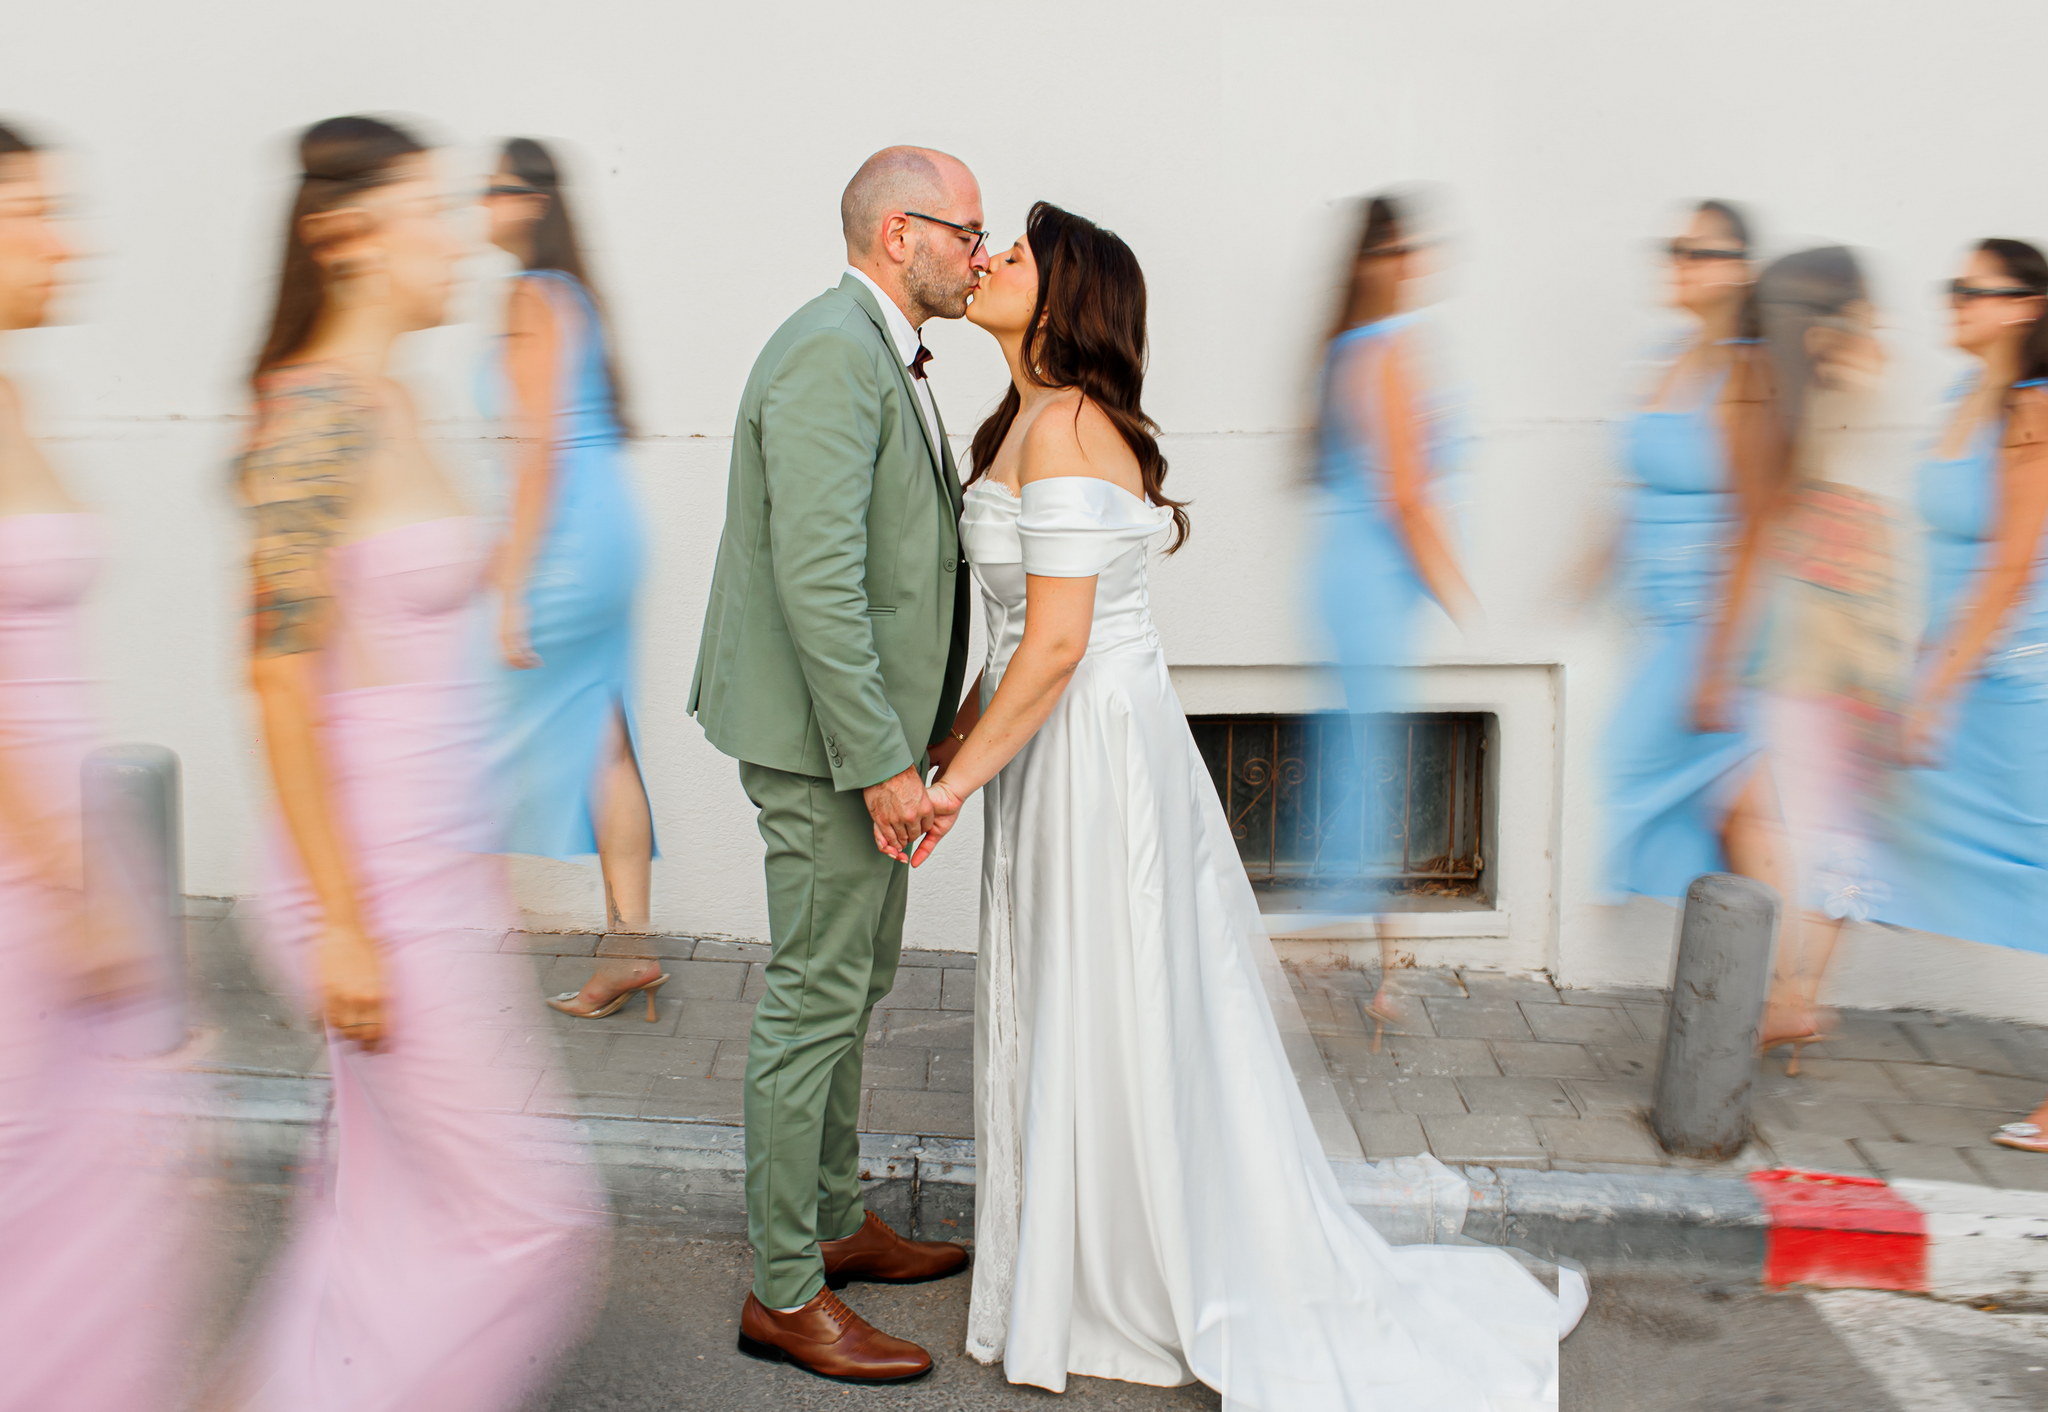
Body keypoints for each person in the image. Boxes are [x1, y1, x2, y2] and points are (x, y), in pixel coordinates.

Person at [918, 201, 1561, 1410]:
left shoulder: (1063, 426)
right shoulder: (1019, 418)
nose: (990, 255)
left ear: (1063, 298)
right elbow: (1006, 636)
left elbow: (1053, 648)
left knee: (1103, 987)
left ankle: (1120, 1271)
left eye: (1016, 251)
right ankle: (1072, 1251)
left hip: (1092, 751)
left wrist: (950, 783)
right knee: (1065, 988)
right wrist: (943, 744)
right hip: (1045, 748)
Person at [228, 115, 602, 1409]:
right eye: (426, 216)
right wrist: (341, 924)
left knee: (389, 1216)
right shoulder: (319, 419)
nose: (457, 239)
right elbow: (277, 676)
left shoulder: (401, 399)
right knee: (535, 1220)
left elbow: (408, 669)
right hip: (369, 888)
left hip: (431, 868)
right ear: (346, 239)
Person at [688, 146, 983, 1383]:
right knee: (813, 999)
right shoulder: (826, 348)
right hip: (826, 752)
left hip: (867, 743)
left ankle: (831, 1218)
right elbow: (819, 582)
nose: (979, 253)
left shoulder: (879, 348)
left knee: (852, 987)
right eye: (965, 231)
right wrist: (878, 762)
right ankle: (782, 1289)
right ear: (898, 230)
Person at [0, 116, 193, 1412]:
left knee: (86, 1198)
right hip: (24, 867)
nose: (66, 240)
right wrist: (72, 887)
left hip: (53, 855)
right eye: (30, 213)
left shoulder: (14, 387)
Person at [1866, 239, 2048, 1152]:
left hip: (2019, 682)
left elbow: (2013, 564)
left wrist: (1936, 689)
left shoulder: (2034, 411)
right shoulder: (1963, 401)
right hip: (1966, 668)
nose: (1955, 302)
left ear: (2025, 306)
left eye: (1973, 291)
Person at [476, 137, 663, 1020]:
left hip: (568, 538)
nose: (482, 204)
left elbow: (538, 450)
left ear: (533, 200)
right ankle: (629, 945)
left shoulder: (529, 298)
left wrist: (512, 583)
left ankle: (439, 936)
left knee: (474, 714)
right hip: (607, 528)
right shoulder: (574, 294)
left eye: (495, 190)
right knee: (603, 734)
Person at [1715, 247, 1900, 1072]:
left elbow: (1783, 495)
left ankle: (1795, 998)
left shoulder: (1832, 370)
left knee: (1793, 805)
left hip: (1834, 602)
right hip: (1835, 592)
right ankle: (1794, 997)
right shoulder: (1830, 369)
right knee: (1796, 806)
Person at [1306, 191, 1478, 1049]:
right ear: (1384, 260)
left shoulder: (1345, 350)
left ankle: (1386, 964)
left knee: (1364, 756)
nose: (1419, 264)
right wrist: (1457, 591)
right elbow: (1407, 494)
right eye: (1407, 249)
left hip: (1353, 575)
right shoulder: (1387, 351)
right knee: (1370, 764)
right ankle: (1350, 953)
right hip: (1375, 580)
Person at [1598, 203, 1791, 932]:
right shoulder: (1675, 359)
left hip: (1711, 621)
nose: (1681, 262)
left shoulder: (1748, 373)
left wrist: (1719, 661)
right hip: (1665, 618)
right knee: (1734, 802)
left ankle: (1779, 987)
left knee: (1620, 783)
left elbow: (1754, 525)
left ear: (1741, 269)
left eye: (1700, 252)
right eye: (1675, 248)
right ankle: (1779, 992)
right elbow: (1640, 488)